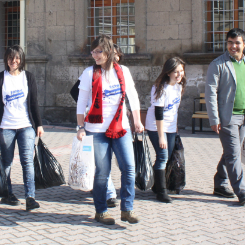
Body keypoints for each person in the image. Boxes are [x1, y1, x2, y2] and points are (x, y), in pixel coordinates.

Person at [76, 34, 144, 225]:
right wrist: (81, 127)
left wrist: (137, 121)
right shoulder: (89, 73)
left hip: (120, 128)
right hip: (96, 130)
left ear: (108, 52)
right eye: (93, 51)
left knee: (129, 168)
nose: (94, 55)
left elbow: (133, 96)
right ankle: (101, 211)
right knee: (102, 172)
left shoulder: (123, 71)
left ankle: (127, 209)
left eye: (98, 51)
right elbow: (81, 103)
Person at [205, 28, 245, 206]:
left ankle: (220, 183)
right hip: (227, 117)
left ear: (244, 44)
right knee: (234, 155)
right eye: (230, 42)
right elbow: (210, 93)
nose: (233, 46)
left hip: (244, 116)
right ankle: (241, 192)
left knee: (230, 153)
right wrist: (214, 119)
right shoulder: (218, 64)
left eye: (237, 43)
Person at [0, 45, 44, 211]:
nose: (14, 61)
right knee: (6, 162)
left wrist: (39, 124)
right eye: (10, 58)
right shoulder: (0, 78)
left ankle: (30, 197)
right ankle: (7, 194)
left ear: (21, 60)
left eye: (17, 58)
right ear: (6, 60)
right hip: (6, 126)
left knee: (27, 161)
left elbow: (34, 103)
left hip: (26, 126)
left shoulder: (28, 77)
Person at [70, 44, 123, 209]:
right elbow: (74, 91)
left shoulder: (119, 73)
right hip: (92, 122)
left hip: (113, 124)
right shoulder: (92, 73)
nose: (115, 58)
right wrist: (89, 104)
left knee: (102, 162)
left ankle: (102, 189)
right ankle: (109, 193)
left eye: (117, 55)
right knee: (100, 162)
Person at [144, 56, 186, 203]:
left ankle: (156, 185)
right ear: (168, 72)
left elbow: (174, 110)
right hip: (156, 126)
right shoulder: (159, 87)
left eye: (181, 71)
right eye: (176, 71)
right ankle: (161, 192)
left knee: (167, 157)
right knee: (162, 155)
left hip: (170, 127)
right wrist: (161, 136)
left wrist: (175, 128)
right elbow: (159, 113)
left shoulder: (179, 87)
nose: (179, 74)